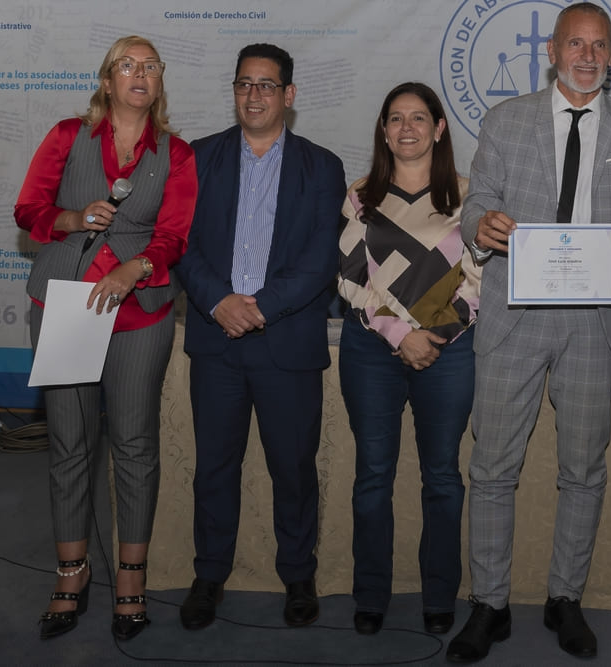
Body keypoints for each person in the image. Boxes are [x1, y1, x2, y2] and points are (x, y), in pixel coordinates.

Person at [445, 3, 611, 662]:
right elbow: (477, 205)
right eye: (575, 44)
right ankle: (489, 604)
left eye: (599, 45)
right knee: (492, 467)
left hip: (593, 322)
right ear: (552, 51)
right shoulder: (506, 120)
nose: (587, 56)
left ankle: (566, 598)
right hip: (515, 316)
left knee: (583, 470)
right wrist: (483, 227)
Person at [15, 35, 197, 641]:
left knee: (135, 446)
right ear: (108, 78)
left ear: (160, 81)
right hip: (66, 306)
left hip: (139, 312)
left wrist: (134, 267)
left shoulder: (176, 154)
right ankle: (71, 573)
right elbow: (28, 210)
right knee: (69, 444)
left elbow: (175, 234)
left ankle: (130, 581)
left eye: (150, 66)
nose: (139, 74)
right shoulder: (68, 137)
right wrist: (71, 218)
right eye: (127, 65)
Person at [175, 43, 345, 631]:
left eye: (266, 85)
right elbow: (181, 243)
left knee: (293, 468)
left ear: (288, 95)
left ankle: (298, 576)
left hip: (286, 342)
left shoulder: (322, 167)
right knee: (214, 467)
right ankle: (208, 575)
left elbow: (322, 258)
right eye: (244, 84)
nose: (254, 95)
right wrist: (219, 301)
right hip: (216, 340)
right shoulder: (198, 158)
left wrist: (260, 308)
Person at [338, 82, 481, 636]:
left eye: (418, 118)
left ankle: (439, 595)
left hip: (449, 351)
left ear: (439, 128)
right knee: (373, 475)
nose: (407, 128)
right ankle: (371, 595)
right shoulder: (360, 195)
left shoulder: (470, 196)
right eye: (395, 118)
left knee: (442, 476)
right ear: (383, 130)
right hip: (371, 351)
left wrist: (433, 334)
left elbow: (482, 279)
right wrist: (400, 334)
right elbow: (350, 278)